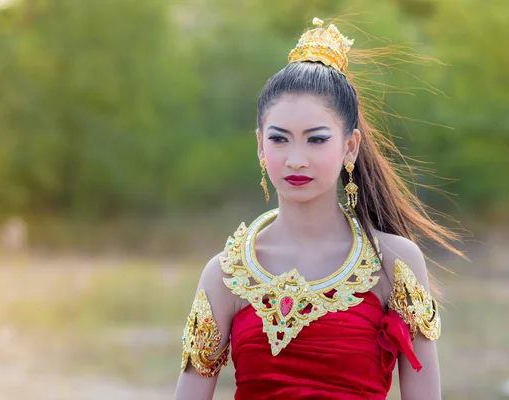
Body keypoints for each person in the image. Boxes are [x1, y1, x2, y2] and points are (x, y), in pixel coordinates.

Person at [175, 17, 463, 400]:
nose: (296, 159)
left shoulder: (395, 262)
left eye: (316, 140)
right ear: (261, 145)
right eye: (280, 140)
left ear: (350, 146)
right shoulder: (226, 275)